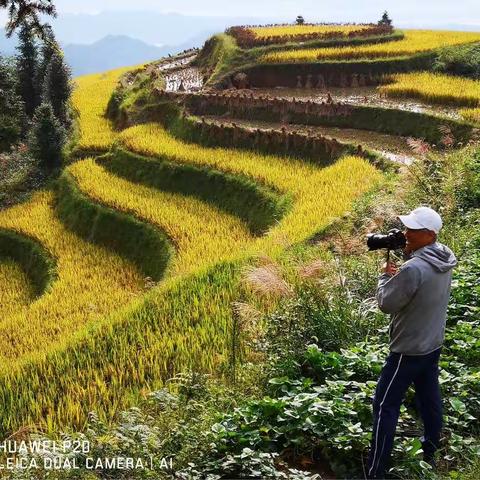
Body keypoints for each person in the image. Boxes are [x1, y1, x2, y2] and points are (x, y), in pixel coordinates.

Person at [367, 207, 458, 479]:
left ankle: (376, 471)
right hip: (432, 342)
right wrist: (407, 257)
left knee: (384, 406)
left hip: (407, 350)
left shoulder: (413, 269)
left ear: (429, 234)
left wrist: (385, 277)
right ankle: (431, 450)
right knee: (429, 398)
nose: (406, 233)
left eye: (413, 230)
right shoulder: (444, 256)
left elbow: (387, 304)